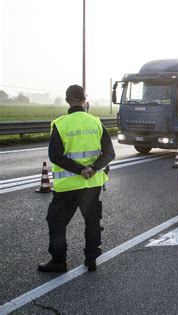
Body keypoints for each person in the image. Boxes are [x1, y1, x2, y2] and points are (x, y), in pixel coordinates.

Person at [38, 85, 115, 273]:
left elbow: (55, 156)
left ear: (67, 101)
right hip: (92, 183)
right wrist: (92, 168)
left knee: (56, 221)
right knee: (92, 220)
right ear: (84, 100)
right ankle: (91, 259)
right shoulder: (96, 122)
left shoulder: (60, 124)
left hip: (68, 186)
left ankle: (58, 261)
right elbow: (109, 153)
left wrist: (79, 170)